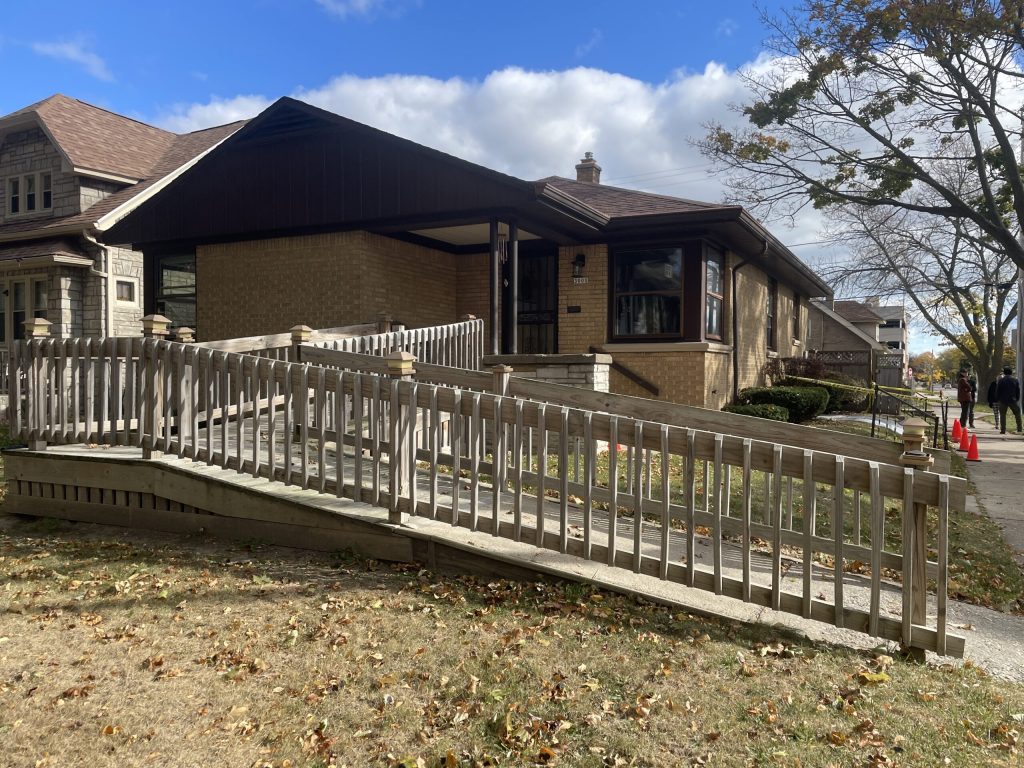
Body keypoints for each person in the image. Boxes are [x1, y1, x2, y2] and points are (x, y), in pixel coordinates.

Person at [996, 365, 1022, 435]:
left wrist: (998, 399)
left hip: (1003, 400)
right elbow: (1018, 390)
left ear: (1004, 373)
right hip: (1012, 399)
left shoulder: (1001, 380)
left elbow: (998, 390)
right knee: (1017, 413)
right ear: (1011, 372)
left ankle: (1003, 430)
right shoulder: (1015, 380)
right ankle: (1019, 428)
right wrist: (1017, 398)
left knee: (1002, 415)